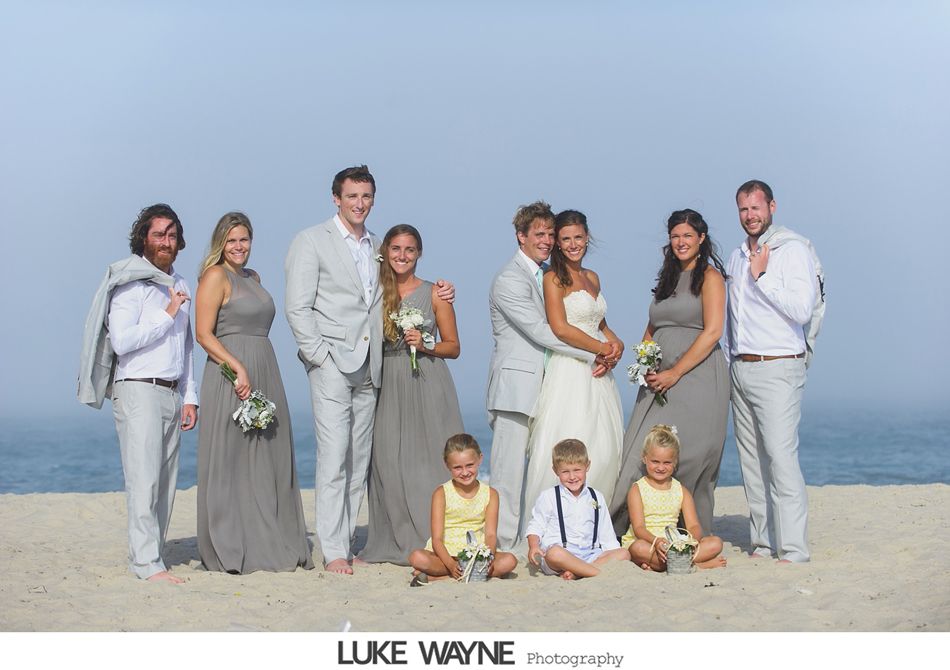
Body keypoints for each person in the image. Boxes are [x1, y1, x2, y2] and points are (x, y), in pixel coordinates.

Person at [285, 165, 454, 574]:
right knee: (333, 457)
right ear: (336, 199)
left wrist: (441, 290)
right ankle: (334, 550)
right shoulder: (311, 241)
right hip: (330, 364)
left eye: (366, 197)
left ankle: (343, 540)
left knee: (359, 459)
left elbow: (399, 291)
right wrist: (318, 356)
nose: (359, 204)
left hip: (372, 367)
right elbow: (297, 306)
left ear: (373, 200)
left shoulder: (379, 246)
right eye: (351, 196)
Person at [487, 201, 614, 552]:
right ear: (521, 237)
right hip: (516, 387)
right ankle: (501, 545)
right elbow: (544, 332)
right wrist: (597, 352)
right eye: (538, 234)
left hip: (548, 383)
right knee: (508, 475)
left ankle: (533, 538)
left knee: (537, 468)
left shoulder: (545, 274)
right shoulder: (510, 279)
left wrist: (609, 343)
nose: (545, 240)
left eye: (548, 234)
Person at [194, 212, 313, 573]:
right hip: (230, 374)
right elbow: (203, 334)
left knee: (267, 457)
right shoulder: (215, 276)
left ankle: (269, 535)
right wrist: (236, 368)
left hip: (265, 367)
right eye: (231, 240)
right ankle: (232, 544)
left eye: (244, 239)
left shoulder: (254, 277)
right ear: (221, 243)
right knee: (232, 458)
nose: (239, 246)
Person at [609, 209, 729, 537]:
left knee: (690, 454)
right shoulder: (667, 277)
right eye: (675, 236)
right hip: (657, 379)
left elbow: (713, 331)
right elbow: (652, 326)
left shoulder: (711, 278)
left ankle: (686, 529)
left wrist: (675, 372)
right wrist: (646, 363)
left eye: (688, 236)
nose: (681, 242)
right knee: (641, 450)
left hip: (698, 377)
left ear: (701, 239)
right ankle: (628, 528)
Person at [725, 179, 822, 563]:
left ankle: (794, 549)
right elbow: (734, 316)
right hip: (741, 366)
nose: (750, 216)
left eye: (756, 208)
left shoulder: (792, 249)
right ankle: (764, 543)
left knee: (781, 458)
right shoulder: (735, 256)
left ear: (772, 207)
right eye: (743, 210)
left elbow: (802, 310)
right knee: (751, 462)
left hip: (779, 366)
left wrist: (762, 277)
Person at [360, 225, 464, 565]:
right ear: (385, 252)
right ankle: (394, 537)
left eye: (409, 249)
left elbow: (454, 346)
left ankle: (435, 537)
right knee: (389, 461)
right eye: (396, 249)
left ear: (419, 253)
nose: (402, 256)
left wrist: (426, 343)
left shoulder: (435, 293)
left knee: (430, 461)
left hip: (428, 381)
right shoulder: (375, 291)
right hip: (388, 381)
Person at [104, 204, 198, 583]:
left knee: (166, 480)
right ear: (144, 237)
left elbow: (187, 347)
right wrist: (167, 313)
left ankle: (153, 554)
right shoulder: (131, 283)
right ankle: (145, 563)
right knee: (143, 480)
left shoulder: (180, 283)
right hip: (138, 390)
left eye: (172, 235)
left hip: (172, 392)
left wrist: (190, 395)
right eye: (159, 234)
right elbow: (122, 342)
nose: (166, 241)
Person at [522, 210, 624, 519]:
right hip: (570, 368)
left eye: (578, 237)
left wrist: (615, 344)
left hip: (598, 372)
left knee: (604, 448)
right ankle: (556, 522)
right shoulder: (554, 278)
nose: (572, 244)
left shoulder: (592, 277)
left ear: (587, 237)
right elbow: (560, 327)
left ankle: (594, 521)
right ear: (557, 244)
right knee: (572, 437)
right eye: (565, 239)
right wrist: (600, 350)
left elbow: (599, 321)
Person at [408, 434, 517, 583]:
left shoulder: (491, 494)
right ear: (447, 465)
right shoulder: (441, 493)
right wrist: (451, 564)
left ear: (480, 459)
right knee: (417, 557)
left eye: (469, 465)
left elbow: (491, 535)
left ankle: (439, 576)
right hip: (445, 555)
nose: (465, 472)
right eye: (457, 467)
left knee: (510, 561)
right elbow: (437, 539)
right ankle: (461, 573)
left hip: (477, 553)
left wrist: (487, 558)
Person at [622, 424, 726, 571]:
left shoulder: (681, 491)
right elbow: (639, 528)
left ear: (675, 462)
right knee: (638, 548)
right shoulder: (637, 489)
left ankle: (664, 565)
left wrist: (689, 542)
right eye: (655, 461)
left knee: (715, 543)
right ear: (644, 458)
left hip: (674, 544)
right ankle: (696, 565)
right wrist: (656, 541)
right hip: (648, 542)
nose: (660, 467)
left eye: (667, 463)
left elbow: (694, 526)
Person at [526, 439, 629, 580]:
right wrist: (533, 546)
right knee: (554, 553)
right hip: (561, 557)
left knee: (624, 554)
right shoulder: (549, 496)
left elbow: (606, 534)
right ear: (555, 471)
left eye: (577, 470)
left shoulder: (596, 497)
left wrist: (613, 551)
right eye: (565, 472)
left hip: (591, 555)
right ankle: (595, 573)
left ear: (587, 466)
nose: (572, 477)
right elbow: (536, 525)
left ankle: (577, 572)